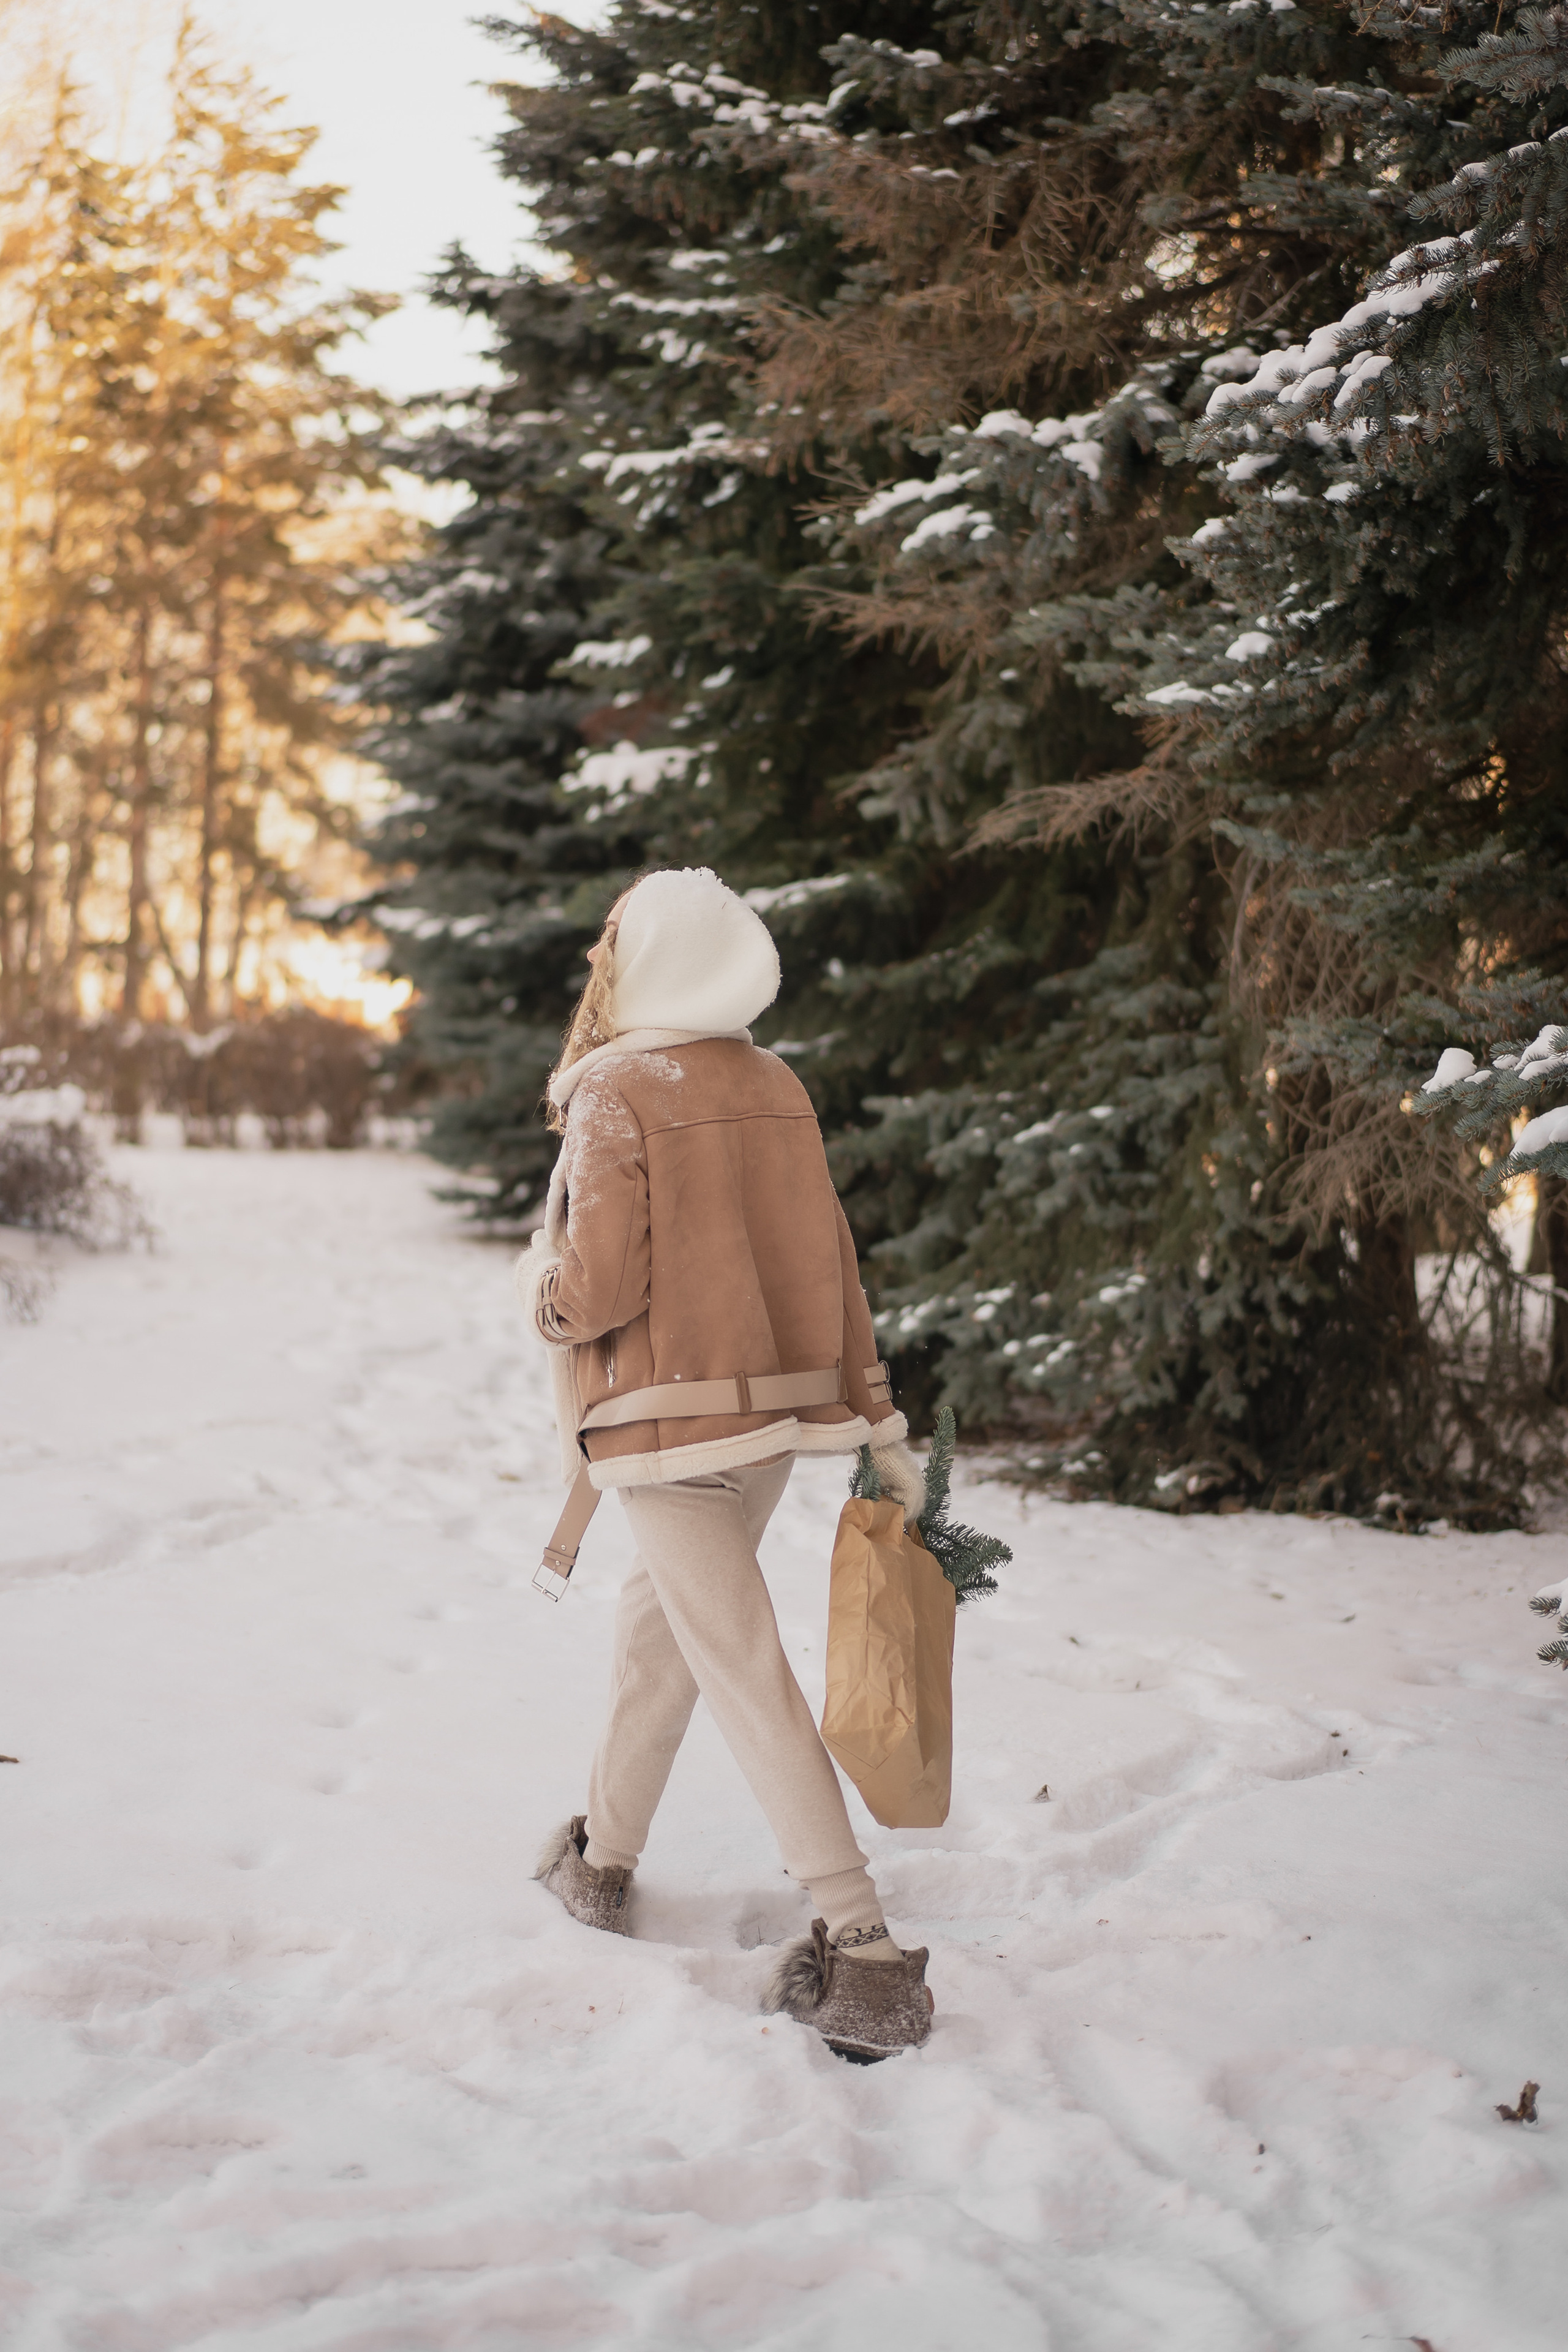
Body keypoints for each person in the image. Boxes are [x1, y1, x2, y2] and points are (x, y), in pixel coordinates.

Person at [516, 867, 934, 2061]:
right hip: (767, 1436)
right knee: (662, 1644)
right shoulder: (773, 1083)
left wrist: (535, 1297)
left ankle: (862, 1956)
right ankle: (601, 1864)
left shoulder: (615, 1089)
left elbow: (594, 1290)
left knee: (740, 1667)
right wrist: (876, 1419)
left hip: (661, 1433)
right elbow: (833, 1270)